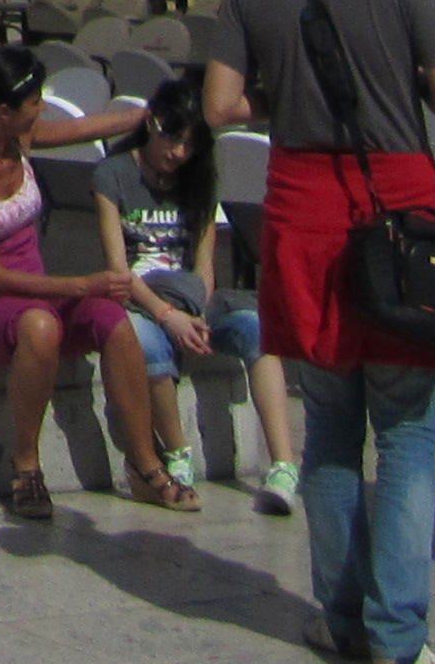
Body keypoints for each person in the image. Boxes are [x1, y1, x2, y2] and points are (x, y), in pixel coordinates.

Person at [204, 0, 435, 664]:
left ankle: (343, 615)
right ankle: (400, 635)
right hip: (395, 204)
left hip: (302, 206)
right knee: (405, 428)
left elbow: (218, 106)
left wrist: (281, 90)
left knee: (327, 425)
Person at [0, 44, 197, 522]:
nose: (43, 108)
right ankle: (26, 466)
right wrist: (83, 284)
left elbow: (83, 127)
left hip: (36, 296)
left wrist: (147, 117)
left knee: (114, 319)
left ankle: (144, 464)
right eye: (34, 102)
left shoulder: (18, 140)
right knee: (41, 326)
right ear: (4, 111)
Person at [95, 64, 303, 518]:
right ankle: (177, 453)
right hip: (142, 297)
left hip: (192, 297)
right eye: (172, 140)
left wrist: (198, 311)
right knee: (147, 343)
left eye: (189, 145)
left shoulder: (199, 178)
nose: (179, 153)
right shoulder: (112, 175)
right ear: (152, 123)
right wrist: (167, 315)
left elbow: (206, 263)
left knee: (259, 331)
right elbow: (118, 270)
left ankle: (284, 464)